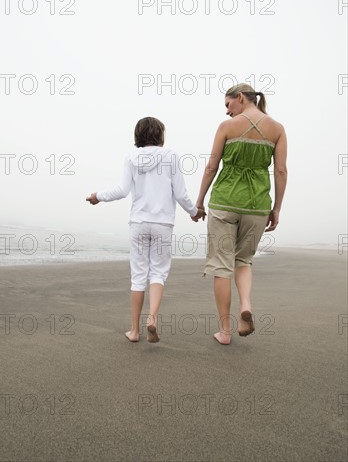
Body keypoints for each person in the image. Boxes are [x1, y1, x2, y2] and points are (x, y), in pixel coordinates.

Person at [86, 117, 205, 343]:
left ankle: (134, 330)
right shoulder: (171, 156)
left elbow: (121, 190)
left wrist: (97, 197)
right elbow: (180, 194)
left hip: (138, 223)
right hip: (162, 224)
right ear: (160, 135)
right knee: (158, 273)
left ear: (138, 135)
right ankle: (152, 318)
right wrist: (194, 211)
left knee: (138, 276)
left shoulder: (130, 157)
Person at [195, 83, 287, 345]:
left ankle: (224, 332)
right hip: (257, 205)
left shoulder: (226, 128)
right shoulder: (277, 129)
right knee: (243, 261)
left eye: (228, 105)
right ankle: (245, 303)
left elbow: (212, 166)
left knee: (220, 266)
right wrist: (276, 209)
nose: (227, 112)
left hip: (225, 202)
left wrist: (200, 201)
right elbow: (281, 171)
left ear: (239, 98)